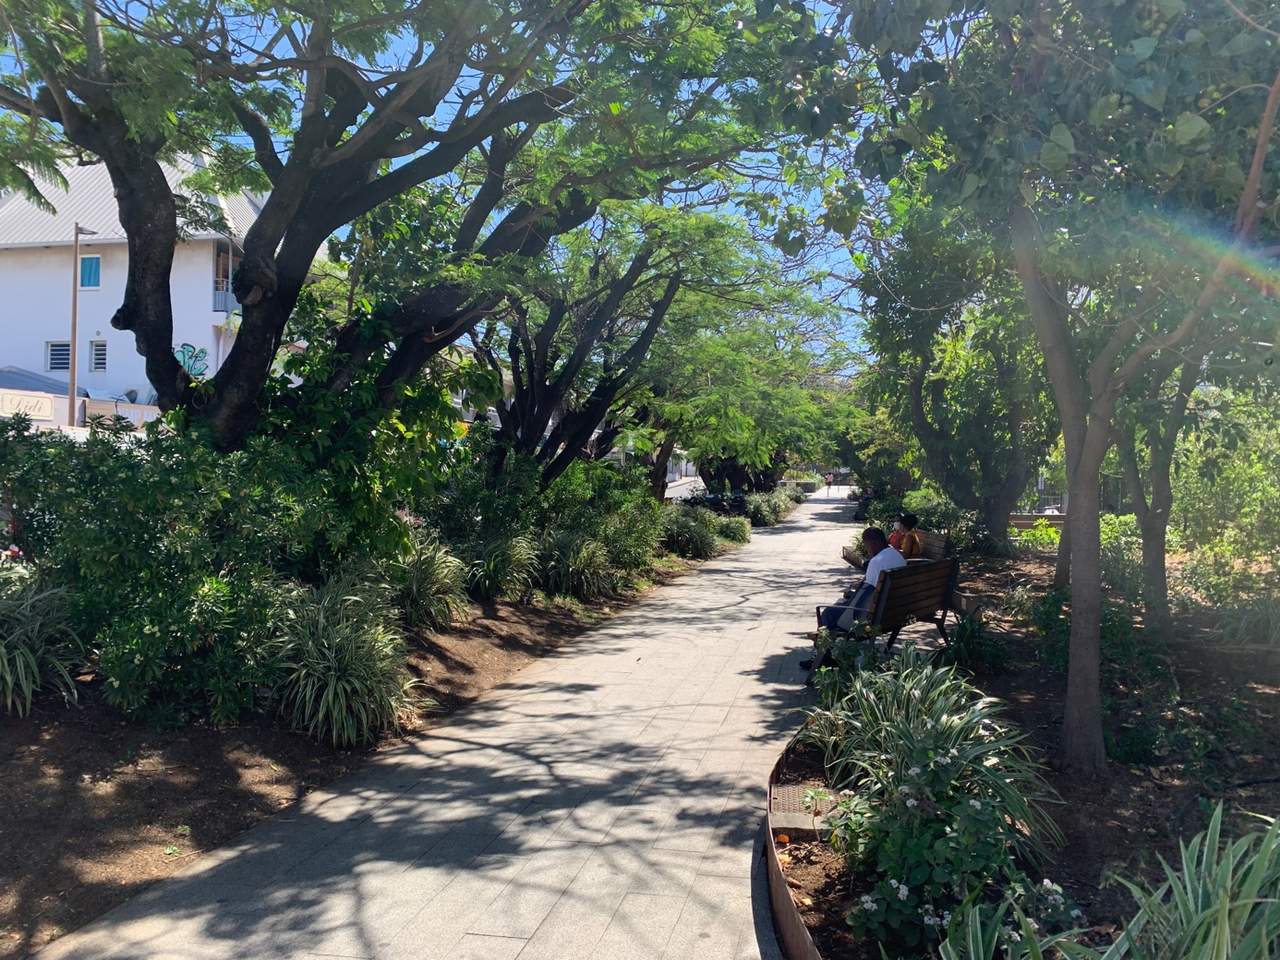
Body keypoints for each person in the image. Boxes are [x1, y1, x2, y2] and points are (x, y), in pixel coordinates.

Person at [819, 526, 906, 631]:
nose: (866, 549)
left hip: (872, 616)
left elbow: (866, 596)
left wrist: (852, 597)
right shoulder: (896, 555)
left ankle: (825, 644)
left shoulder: (876, 561)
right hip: (893, 611)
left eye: (866, 545)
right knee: (843, 601)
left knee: (828, 613)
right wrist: (861, 583)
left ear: (874, 543)